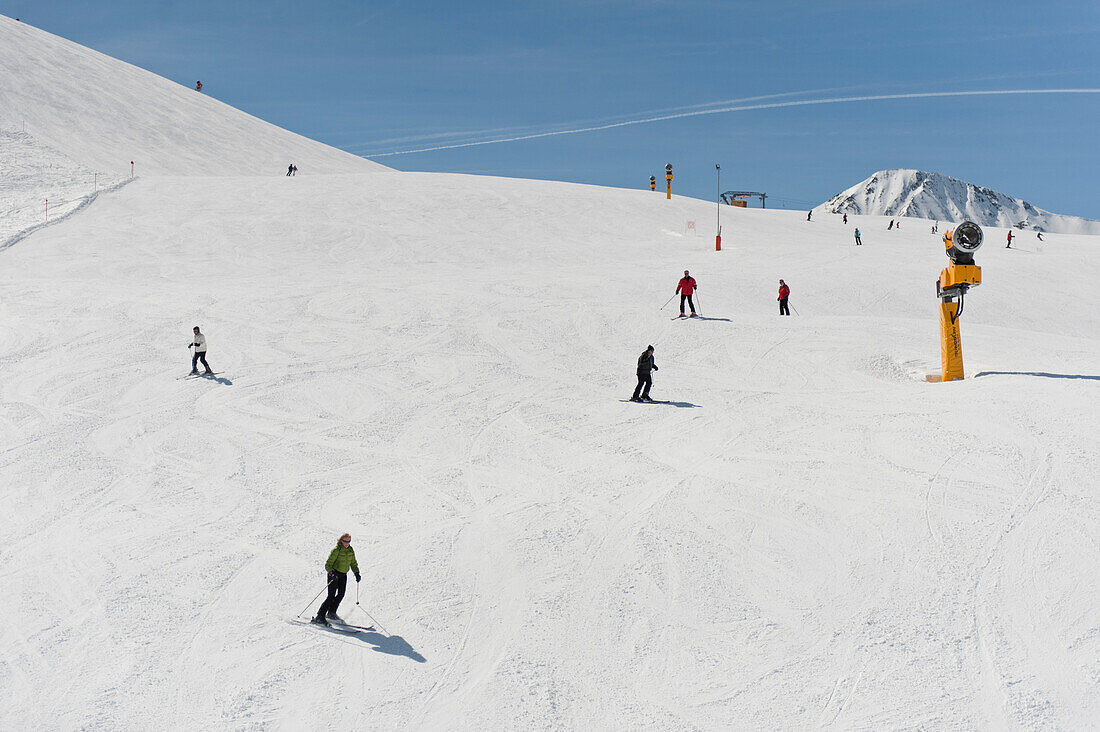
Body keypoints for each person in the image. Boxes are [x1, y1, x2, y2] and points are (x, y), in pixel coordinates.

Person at [313, 533, 361, 626]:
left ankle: (331, 613)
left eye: (349, 541)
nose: (347, 543)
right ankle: (320, 616)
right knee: (331, 596)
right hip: (334, 574)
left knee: (341, 594)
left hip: (343, 575)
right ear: (341, 541)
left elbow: (353, 563)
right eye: (345, 541)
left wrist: (356, 573)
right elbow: (328, 564)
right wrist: (332, 573)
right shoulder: (336, 550)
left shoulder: (350, 550)